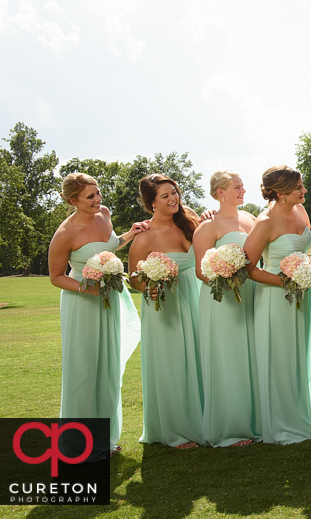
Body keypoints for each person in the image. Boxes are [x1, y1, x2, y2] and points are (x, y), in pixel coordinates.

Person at [48, 173, 144, 460]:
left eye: (98, 193)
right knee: (84, 370)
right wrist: (84, 288)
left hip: (110, 299)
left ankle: (107, 438)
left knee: (108, 367)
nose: (98, 199)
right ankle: (79, 444)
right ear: (72, 200)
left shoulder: (104, 214)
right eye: (90, 196)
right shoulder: (65, 233)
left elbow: (110, 247)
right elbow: (55, 277)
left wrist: (131, 233)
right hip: (82, 303)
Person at [244, 165, 311, 444]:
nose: (304, 190)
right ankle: (281, 422)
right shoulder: (264, 223)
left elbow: (307, 248)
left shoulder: (300, 211)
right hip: (276, 298)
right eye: (299, 187)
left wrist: (307, 266)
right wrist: (286, 282)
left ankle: (299, 414)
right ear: (280, 192)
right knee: (280, 356)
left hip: (302, 295)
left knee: (299, 354)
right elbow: (248, 268)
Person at [128, 174, 204, 449]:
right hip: (165, 306)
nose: (173, 199)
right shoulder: (144, 237)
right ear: (151, 203)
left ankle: (203, 420)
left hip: (195, 299)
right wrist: (148, 285)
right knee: (172, 364)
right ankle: (174, 431)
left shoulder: (190, 219)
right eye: (165, 196)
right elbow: (134, 278)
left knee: (199, 358)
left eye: (174, 192)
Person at [193, 170, 261, 447]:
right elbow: (200, 271)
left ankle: (255, 421)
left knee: (251, 356)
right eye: (237, 187)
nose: (243, 191)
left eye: (243, 186)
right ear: (220, 193)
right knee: (228, 356)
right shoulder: (208, 225)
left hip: (252, 293)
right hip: (223, 297)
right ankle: (229, 430)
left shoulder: (250, 219)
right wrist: (225, 276)